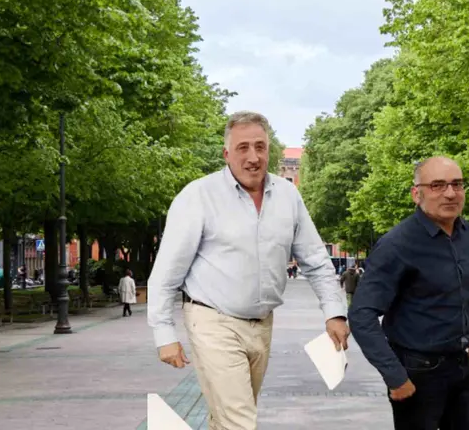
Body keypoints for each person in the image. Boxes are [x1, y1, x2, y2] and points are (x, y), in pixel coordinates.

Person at [147, 111, 349, 430]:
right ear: (227, 154)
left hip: (262, 325)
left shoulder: (288, 196)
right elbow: (165, 273)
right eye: (243, 148)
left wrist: (335, 312)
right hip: (212, 320)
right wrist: (164, 335)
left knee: (226, 419)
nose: (253, 157)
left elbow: (315, 258)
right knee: (239, 421)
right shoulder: (198, 197)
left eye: (260, 147)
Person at [349, 156, 469, 430]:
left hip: (462, 369)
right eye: (437, 185)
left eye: (457, 185)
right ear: (417, 194)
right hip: (418, 372)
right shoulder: (396, 245)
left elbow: (464, 297)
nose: (450, 193)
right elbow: (361, 314)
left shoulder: (467, 233)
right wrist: (394, 376)